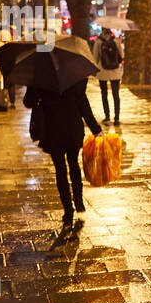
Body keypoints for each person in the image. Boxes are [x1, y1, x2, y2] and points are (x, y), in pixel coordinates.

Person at [23, 79, 102, 227]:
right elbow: (83, 104)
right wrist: (95, 128)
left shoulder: (40, 75)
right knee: (73, 164)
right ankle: (78, 201)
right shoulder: (73, 76)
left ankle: (68, 210)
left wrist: (36, 91)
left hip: (53, 131)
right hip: (73, 129)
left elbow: (28, 102)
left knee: (60, 170)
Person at [90, 29, 124, 123]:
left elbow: (95, 57)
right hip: (115, 72)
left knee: (104, 94)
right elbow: (121, 55)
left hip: (102, 72)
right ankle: (116, 118)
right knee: (116, 94)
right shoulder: (116, 40)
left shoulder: (98, 41)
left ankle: (107, 116)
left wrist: (93, 70)